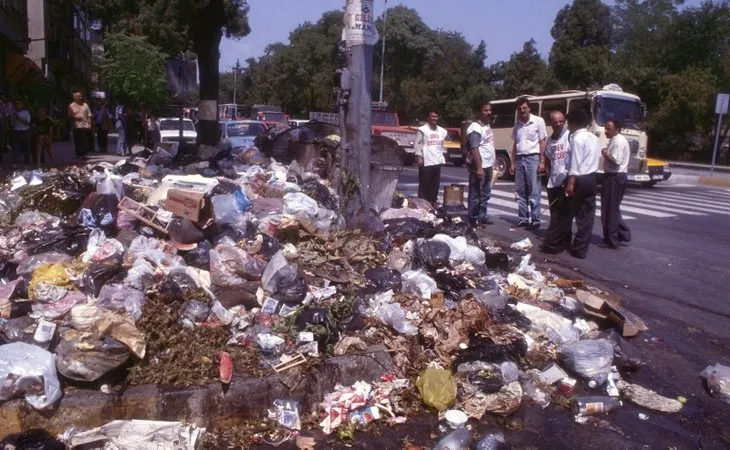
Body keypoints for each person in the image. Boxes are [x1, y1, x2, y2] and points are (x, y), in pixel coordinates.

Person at [563, 109, 600, 259]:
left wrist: (570, 184)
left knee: (567, 212)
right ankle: (580, 249)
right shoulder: (593, 138)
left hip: (579, 179)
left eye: (568, 123)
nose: (568, 126)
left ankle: (558, 242)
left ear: (573, 123)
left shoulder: (576, 138)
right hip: (592, 179)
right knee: (587, 216)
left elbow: (575, 163)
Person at [510, 96, 547, 230]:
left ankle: (536, 220)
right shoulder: (517, 124)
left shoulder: (538, 121)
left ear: (529, 108)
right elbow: (515, 144)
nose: (522, 111)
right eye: (520, 109)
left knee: (534, 190)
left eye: (524, 108)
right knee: (520, 191)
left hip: (533, 158)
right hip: (520, 158)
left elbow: (542, 142)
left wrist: (542, 161)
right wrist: (513, 163)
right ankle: (523, 219)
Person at [540, 111, 572, 254]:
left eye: (560, 121)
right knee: (555, 213)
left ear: (564, 121)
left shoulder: (569, 136)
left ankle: (563, 241)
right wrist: (547, 172)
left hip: (565, 181)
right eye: (555, 122)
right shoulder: (550, 140)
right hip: (553, 182)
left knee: (564, 213)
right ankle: (558, 239)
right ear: (551, 123)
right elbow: (547, 157)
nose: (558, 124)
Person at [600, 120, 632, 248]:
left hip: (615, 177)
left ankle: (612, 240)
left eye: (608, 129)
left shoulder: (618, 141)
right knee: (612, 209)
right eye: (605, 128)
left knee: (610, 210)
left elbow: (616, 161)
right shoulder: (615, 140)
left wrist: (605, 153)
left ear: (617, 129)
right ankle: (622, 234)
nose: (606, 131)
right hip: (614, 177)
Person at [465, 102, 496, 226]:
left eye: (490, 110)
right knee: (476, 193)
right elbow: (474, 149)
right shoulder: (475, 127)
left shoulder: (486, 125)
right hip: (480, 166)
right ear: (480, 112)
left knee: (485, 192)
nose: (489, 113)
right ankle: (473, 218)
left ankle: (482, 216)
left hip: (488, 165)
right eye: (485, 110)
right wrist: (479, 168)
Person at [415, 111, 447, 205]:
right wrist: (419, 157)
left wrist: (442, 156)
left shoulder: (441, 130)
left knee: (435, 186)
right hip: (426, 161)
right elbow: (418, 144)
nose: (434, 118)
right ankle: (422, 206)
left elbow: (441, 144)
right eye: (432, 116)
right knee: (424, 186)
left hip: (436, 161)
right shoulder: (422, 130)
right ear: (428, 118)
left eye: (436, 116)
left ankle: (432, 204)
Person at [68, 90, 92, 159]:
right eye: (79, 96)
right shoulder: (71, 106)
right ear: (74, 97)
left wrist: (90, 124)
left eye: (81, 96)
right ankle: (79, 154)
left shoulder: (85, 105)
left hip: (85, 125)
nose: (80, 97)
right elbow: (69, 116)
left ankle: (85, 154)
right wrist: (75, 117)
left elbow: (89, 115)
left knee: (85, 140)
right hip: (77, 125)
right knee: (78, 140)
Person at [10, 99, 32, 166]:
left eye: (19, 104)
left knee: (26, 148)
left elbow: (27, 123)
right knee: (16, 148)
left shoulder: (26, 112)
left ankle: (27, 163)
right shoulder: (13, 113)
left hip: (25, 131)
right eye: (16, 104)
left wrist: (19, 118)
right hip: (16, 131)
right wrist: (13, 119)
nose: (17, 105)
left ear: (22, 105)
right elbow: (12, 124)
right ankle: (15, 162)